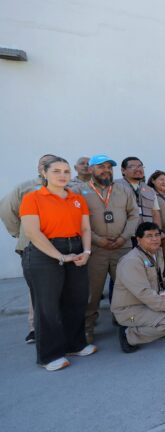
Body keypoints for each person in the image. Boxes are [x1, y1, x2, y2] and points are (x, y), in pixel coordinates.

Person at [20, 156, 96, 371]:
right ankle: (49, 355)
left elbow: (85, 228)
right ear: (44, 173)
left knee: (76, 300)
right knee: (48, 306)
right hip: (44, 254)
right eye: (56, 171)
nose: (62, 175)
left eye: (66, 171)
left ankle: (75, 345)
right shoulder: (32, 198)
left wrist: (86, 251)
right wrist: (60, 256)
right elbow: (32, 232)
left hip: (76, 248)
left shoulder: (77, 199)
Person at [72, 155, 139, 343]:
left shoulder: (123, 189)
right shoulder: (78, 191)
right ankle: (87, 328)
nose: (106, 170)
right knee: (92, 292)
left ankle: (128, 323)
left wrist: (124, 237)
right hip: (95, 250)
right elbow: (75, 219)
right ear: (91, 169)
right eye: (101, 167)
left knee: (127, 289)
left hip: (122, 247)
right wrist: (97, 240)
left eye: (109, 167)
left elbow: (134, 215)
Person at [111, 222, 165, 353]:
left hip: (151, 300)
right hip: (130, 310)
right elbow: (144, 293)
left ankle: (156, 322)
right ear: (138, 240)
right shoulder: (131, 261)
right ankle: (129, 334)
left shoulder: (156, 252)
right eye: (149, 236)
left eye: (157, 235)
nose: (154, 239)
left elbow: (159, 278)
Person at [0, 153, 55, 344]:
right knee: (37, 290)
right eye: (43, 163)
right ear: (39, 168)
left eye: (51, 163)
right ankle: (34, 328)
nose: (47, 166)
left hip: (61, 246)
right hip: (33, 246)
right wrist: (19, 233)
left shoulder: (67, 186)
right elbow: (6, 210)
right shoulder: (26, 187)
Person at [116, 157, 162, 230]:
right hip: (124, 232)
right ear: (123, 170)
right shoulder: (114, 186)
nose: (138, 169)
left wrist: (158, 231)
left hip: (146, 233)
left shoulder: (150, 190)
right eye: (132, 166)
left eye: (140, 166)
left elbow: (155, 213)